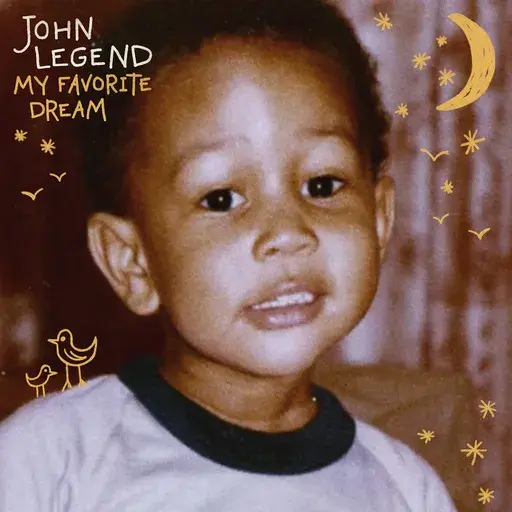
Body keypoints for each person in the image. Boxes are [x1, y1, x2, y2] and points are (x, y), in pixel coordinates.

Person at [0, 0, 457, 510]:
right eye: (221, 199)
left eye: (323, 184)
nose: (287, 234)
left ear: (379, 219)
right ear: (132, 261)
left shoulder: (407, 490)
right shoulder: (54, 460)